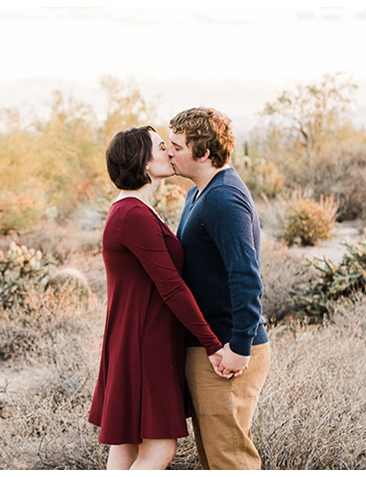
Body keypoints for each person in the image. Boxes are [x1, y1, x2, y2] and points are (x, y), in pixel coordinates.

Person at [88, 126, 226, 470]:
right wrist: (212, 343)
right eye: (162, 147)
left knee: (128, 448)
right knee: (160, 449)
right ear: (143, 163)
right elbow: (172, 287)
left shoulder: (134, 209)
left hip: (135, 336)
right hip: (144, 342)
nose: (170, 152)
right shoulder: (133, 214)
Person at [168, 107, 271, 470]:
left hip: (229, 351)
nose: (169, 153)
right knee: (214, 459)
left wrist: (240, 346)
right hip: (209, 348)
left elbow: (245, 274)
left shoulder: (224, 199)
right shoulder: (199, 194)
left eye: (177, 147)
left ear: (205, 153)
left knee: (230, 460)